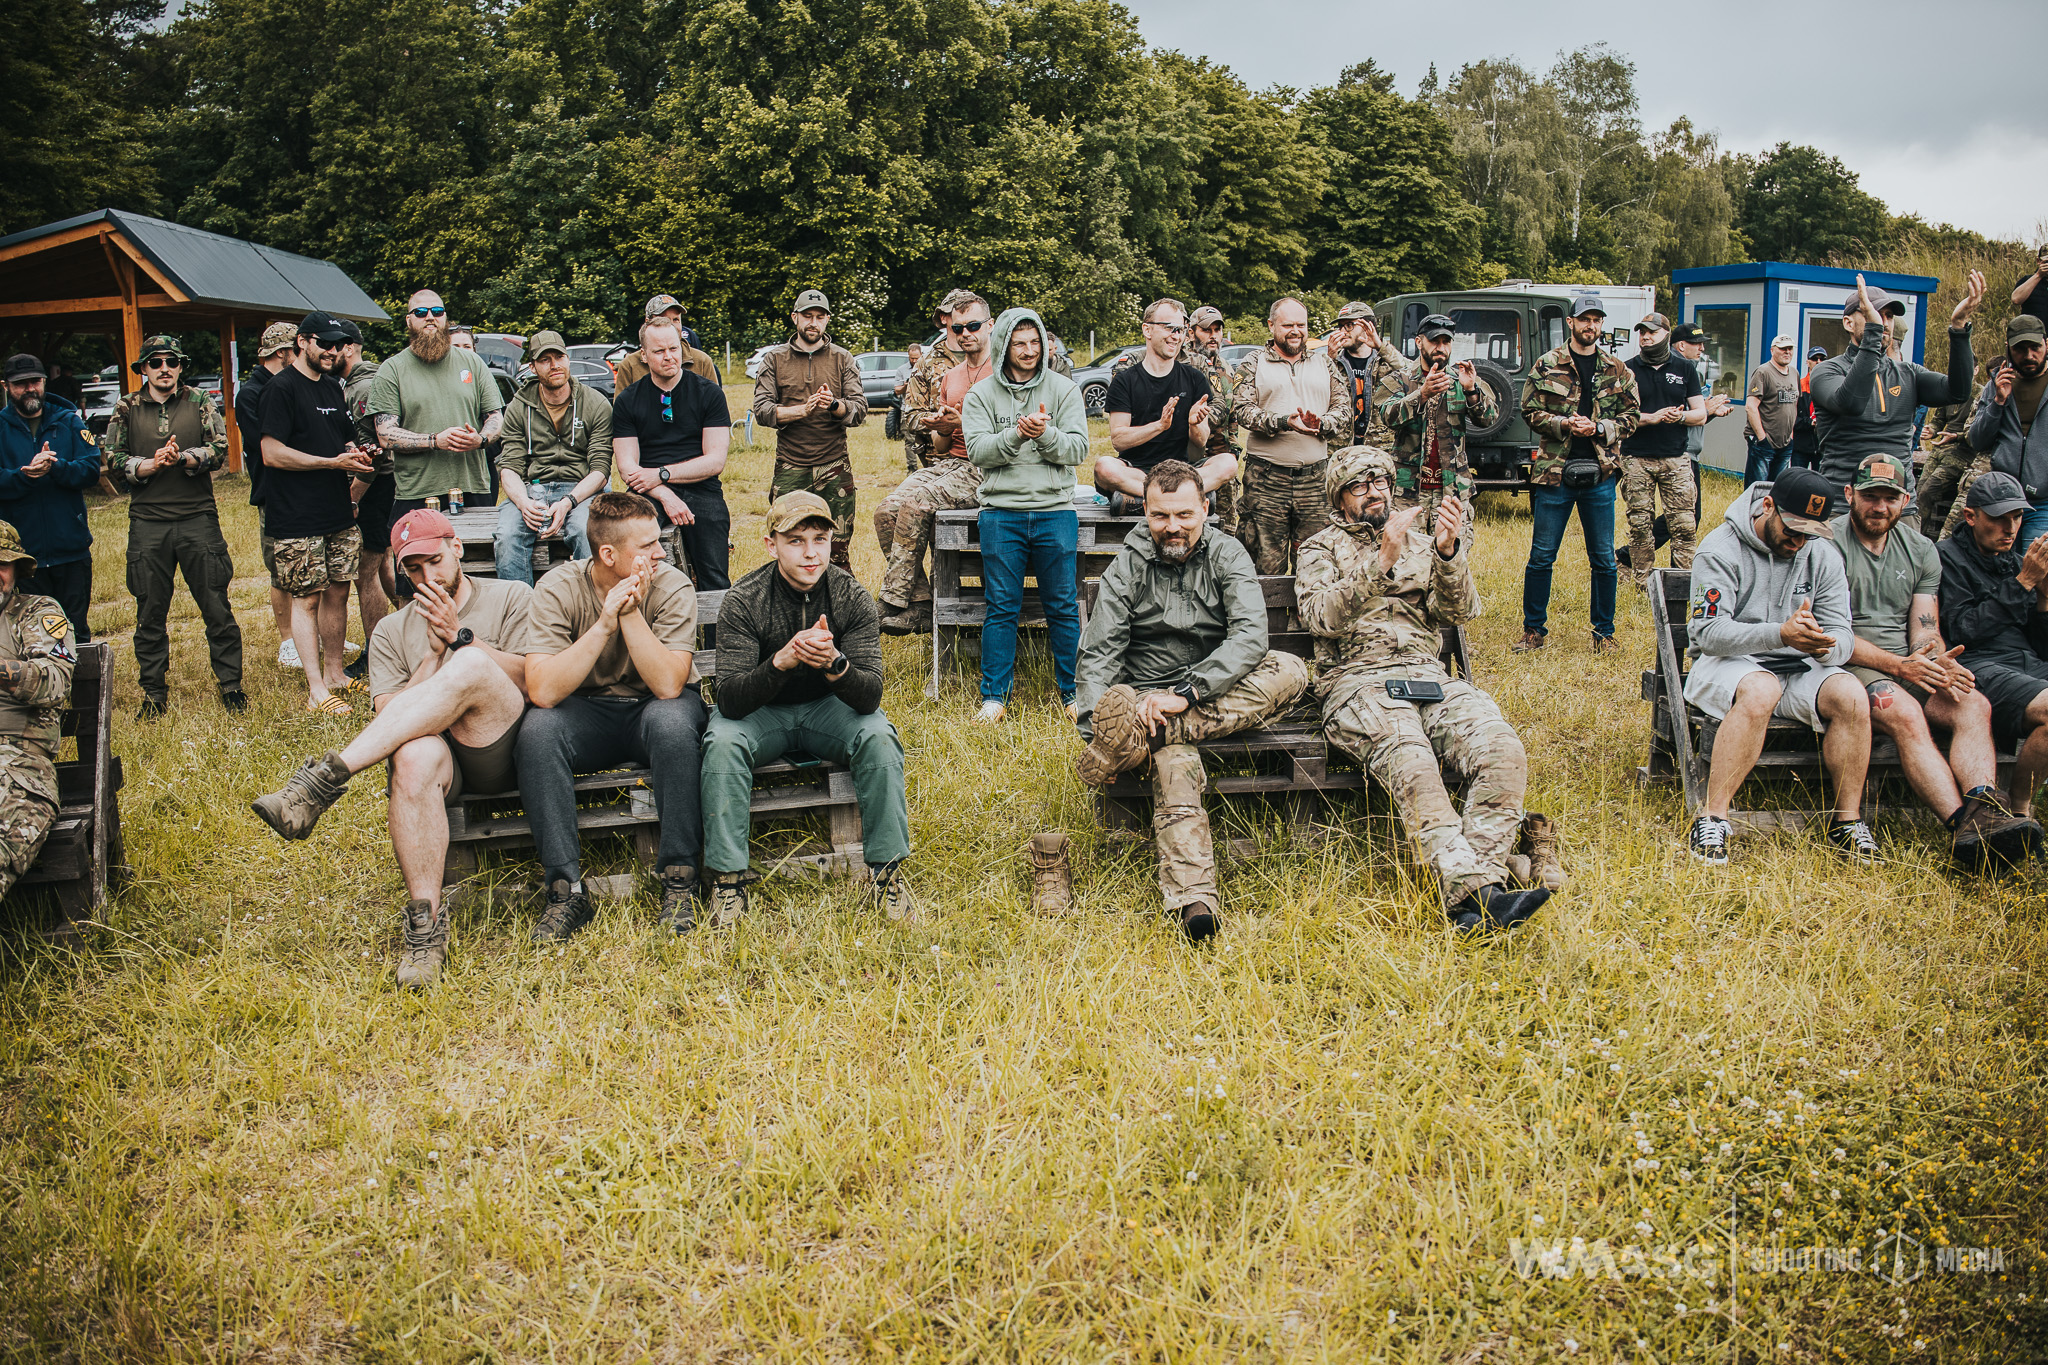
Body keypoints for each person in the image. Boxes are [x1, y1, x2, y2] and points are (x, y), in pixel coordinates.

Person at [250, 509, 533, 987]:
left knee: (471, 667)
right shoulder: (389, 630)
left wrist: (461, 639)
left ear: (457, 546)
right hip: (441, 759)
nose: (428, 577)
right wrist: (431, 655)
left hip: (501, 743)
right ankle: (425, 930)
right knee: (413, 755)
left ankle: (324, 779)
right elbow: (389, 719)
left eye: (436, 561)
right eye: (414, 569)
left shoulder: (511, 596)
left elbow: (534, 679)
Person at [1297, 446, 1554, 935]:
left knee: (1503, 749)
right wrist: (1380, 563)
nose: (1374, 492)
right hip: (1357, 679)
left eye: (1381, 484)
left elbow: (1459, 613)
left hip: (1428, 674)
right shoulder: (1319, 549)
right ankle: (1484, 893)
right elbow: (1320, 619)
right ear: (1339, 496)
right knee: (1412, 761)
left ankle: (1476, 900)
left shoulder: (1422, 542)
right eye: (1360, 485)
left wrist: (1448, 554)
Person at [1071, 460, 1311, 939]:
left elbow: (1249, 638)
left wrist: (1187, 694)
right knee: (1173, 766)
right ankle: (1194, 899)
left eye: (1184, 514)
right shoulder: (1130, 565)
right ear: (1145, 512)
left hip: (1205, 692)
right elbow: (1100, 651)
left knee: (1291, 669)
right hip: (1148, 694)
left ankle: (1148, 733)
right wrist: (1097, 730)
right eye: (1160, 516)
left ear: (1205, 507)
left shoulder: (1227, 554)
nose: (1172, 527)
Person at [700, 492, 913, 927]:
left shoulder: (850, 595)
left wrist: (835, 665)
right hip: (762, 713)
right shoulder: (745, 598)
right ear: (770, 543)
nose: (811, 552)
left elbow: (870, 695)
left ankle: (888, 873)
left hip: (826, 709)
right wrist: (780, 662)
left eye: (820, 538)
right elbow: (730, 700)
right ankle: (727, 879)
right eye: (796, 540)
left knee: (877, 734)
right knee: (721, 742)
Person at [1831, 455, 2041, 867]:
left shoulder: (1920, 549)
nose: (1879, 507)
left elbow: (1925, 623)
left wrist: (1936, 659)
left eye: (1890, 498)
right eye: (1870, 496)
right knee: (1906, 713)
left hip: (1906, 663)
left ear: (1905, 499)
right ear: (1849, 494)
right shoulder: (1826, 544)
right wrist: (1898, 666)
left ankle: (1988, 810)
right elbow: (1830, 636)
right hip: (1846, 664)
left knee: (1971, 701)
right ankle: (1966, 827)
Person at [516, 491, 707, 940]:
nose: (660, 552)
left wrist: (631, 615)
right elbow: (541, 690)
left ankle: (681, 879)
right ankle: (566, 892)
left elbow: (668, 686)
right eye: (647, 545)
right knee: (538, 732)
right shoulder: (558, 588)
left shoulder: (672, 584)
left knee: (674, 724)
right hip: (586, 712)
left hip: (654, 706)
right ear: (608, 554)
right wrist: (604, 622)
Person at [1680, 466, 1874, 865]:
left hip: (1797, 666)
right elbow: (1706, 632)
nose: (1799, 541)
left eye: (1810, 533)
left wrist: (1824, 647)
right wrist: (1780, 635)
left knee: (1852, 695)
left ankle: (1847, 821)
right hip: (1726, 664)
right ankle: (1713, 817)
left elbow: (1844, 631)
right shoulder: (1720, 548)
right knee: (1761, 688)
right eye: (1793, 529)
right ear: (1768, 506)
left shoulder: (1821, 554)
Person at [103, 335, 244, 717]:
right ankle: (153, 694)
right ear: (143, 369)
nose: (164, 368)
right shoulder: (127, 406)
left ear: (180, 366)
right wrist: (145, 466)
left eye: (171, 361)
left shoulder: (199, 401)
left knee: (216, 604)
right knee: (149, 610)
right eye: (155, 362)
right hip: (148, 522)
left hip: (197, 518)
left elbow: (220, 447)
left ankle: (231, 686)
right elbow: (111, 456)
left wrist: (184, 458)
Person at [962, 307, 1089, 722]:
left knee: (1063, 605)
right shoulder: (980, 395)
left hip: (1055, 512)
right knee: (1001, 606)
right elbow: (979, 452)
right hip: (1001, 513)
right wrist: (1017, 434)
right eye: (1019, 343)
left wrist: (1046, 434)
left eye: (1035, 342)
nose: (1029, 350)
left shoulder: (1064, 390)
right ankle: (994, 697)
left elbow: (1078, 449)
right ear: (1002, 345)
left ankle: (1073, 694)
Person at [258, 312, 379, 714]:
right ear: (303, 341)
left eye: (338, 344)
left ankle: (335, 674)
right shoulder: (281, 389)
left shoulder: (332, 387)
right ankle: (316, 692)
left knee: (339, 590)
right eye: (325, 343)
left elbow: (338, 441)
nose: (333, 350)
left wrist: (357, 456)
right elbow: (272, 453)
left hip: (337, 511)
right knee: (307, 598)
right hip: (296, 515)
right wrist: (331, 463)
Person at [1515, 295, 1639, 653]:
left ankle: (1604, 634)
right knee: (1541, 556)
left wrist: (1598, 428)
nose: (1591, 326)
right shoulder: (1547, 364)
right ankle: (1533, 631)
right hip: (1555, 474)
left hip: (1600, 475)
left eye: (1597, 320)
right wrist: (1564, 423)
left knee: (1603, 559)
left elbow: (1632, 418)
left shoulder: (1617, 368)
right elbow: (1530, 410)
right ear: (1571, 323)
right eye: (1585, 319)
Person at [1811, 272, 1985, 522]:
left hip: (1900, 509)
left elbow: (1958, 391)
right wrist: (1873, 333)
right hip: (1843, 507)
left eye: (1889, 316)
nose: (1883, 322)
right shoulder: (1827, 371)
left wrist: (1958, 329)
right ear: (1848, 323)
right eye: (1872, 313)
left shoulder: (1908, 373)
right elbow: (1851, 402)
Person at [877, 291, 994, 635]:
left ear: (989, 325)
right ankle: (921, 603)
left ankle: (893, 598)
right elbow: (943, 445)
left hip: (987, 465)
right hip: (952, 463)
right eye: (958, 328)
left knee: (917, 503)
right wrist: (940, 426)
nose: (965, 333)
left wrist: (962, 423)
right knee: (886, 510)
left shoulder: (1003, 371)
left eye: (973, 325)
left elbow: (1006, 431)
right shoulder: (951, 376)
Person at [1937, 471, 2048, 828]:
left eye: (2017, 517)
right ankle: (2018, 811)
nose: (2010, 527)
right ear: (1971, 516)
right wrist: (2023, 584)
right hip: (1978, 668)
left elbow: (2041, 646)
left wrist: (2045, 596)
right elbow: (1962, 633)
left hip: (2026, 666)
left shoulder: (2017, 562)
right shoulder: (1945, 558)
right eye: (1999, 517)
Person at [1229, 297, 1351, 574]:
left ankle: (1303, 618)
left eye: (1301, 325)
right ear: (1271, 326)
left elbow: (1344, 410)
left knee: (1314, 564)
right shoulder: (1253, 363)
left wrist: (1322, 423)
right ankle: (1266, 619)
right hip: (1267, 482)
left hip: (1316, 481)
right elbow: (1243, 410)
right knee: (1263, 565)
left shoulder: (1325, 364)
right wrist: (1285, 422)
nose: (1295, 331)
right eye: (1287, 325)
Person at [366, 289, 505, 531]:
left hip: (472, 487)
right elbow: (385, 434)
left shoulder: (472, 362)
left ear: (445, 319)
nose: (430, 316)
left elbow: (494, 416)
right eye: (420, 312)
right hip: (417, 492)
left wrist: (480, 439)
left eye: (437, 311)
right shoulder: (392, 369)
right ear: (409, 320)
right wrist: (435, 440)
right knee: (417, 566)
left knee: (476, 564)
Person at [751, 289, 867, 571]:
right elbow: (762, 411)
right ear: (795, 318)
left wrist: (833, 405)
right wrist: (800, 411)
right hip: (791, 465)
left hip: (834, 465)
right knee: (788, 545)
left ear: (827, 320)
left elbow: (859, 409)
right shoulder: (775, 359)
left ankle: (839, 608)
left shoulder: (842, 359)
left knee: (837, 551)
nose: (813, 322)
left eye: (819, 316)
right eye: (807, 316)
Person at [613, 318, 732, 589]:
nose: (669, 357)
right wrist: (664, 491)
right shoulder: (628, 400)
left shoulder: (709, 394)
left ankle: (715, 631)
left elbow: (715, 461)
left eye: (674, 348)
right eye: (659, 351)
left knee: (715, 577)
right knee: (634, 559)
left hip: (702, 488)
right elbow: (626, 466)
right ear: (643, 355)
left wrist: (662, 474)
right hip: (647, 492)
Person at [0, 526, 77, 920]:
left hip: (18, 763)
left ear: (16, 570)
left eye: (2, 564)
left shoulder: (36, 613)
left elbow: (55, 681)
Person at [494, 330, 612, 583]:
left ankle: (589, 611)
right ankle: (519, 613)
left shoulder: (596, 403)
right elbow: (509, 466)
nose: (554, 365)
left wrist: (569, 501)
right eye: (545, 360)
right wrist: (524, 503)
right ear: (533, 367)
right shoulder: (519, 406)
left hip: (583, 489)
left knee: (585, 531)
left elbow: (601, 469)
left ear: (568, 359)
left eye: (559, 356)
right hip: (533, 488)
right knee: (507, 536)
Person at [1095, 298, 1235, 507]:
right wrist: (1159, 426)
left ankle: (1143, 498)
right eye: (1169, 328)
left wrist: (1194, 424)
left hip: (1185, 468)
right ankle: (1188, 494)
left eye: (1179, 330)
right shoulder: (1126, 380)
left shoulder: (1195, 378)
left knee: (1228, 463)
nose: (1176, 336)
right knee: (1104, 467)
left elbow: (1201, 442)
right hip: (1137, 469)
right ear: (1147, 330)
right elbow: (1119, 440)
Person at [0, 354, 100, 642]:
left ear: (44, 382)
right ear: (6, 386)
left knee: (76, 634)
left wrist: (56, 467)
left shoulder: (69, 421)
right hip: (22, 557)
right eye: (21, 384)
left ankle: (81, 688)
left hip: (70, 549)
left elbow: (91, 470)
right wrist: (23, 475)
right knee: (31, 638)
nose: (30, 389)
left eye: (35, 381)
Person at [1374, 312, 1494, 528]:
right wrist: (1422, 394)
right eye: (1434, 341)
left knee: (1451, 555)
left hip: (1453, 490)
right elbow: (1386, 416)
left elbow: (1488, 420)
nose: (1441, 347)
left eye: (1446, 341)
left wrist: (1471, 391)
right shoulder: (1399, 380)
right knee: (1407, 556)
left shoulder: (1463, 379)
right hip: (1408, 492)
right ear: (1419, 342)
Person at [1617, 312, 1705, 590]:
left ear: (1666, 335)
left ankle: (1681, 586)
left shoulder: (1685, 368)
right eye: (1642, 332)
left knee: (1684, 526)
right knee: (1640, 527)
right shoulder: (1626, 369)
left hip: (1675, 459)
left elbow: (1700, 413)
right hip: (1636, 458)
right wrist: (1652, 417)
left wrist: (1679, 417)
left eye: (1652, 332)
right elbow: (1620, 417)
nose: (1645, 336)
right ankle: (1643, 584)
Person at [237, 322, 301, 662]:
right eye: (298, 351)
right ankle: (288, 641)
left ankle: (312, 635)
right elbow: (267, 441)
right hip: (272, 491)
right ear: (283, 353)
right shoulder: (251, 393)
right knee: (280, 571)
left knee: (308, 569)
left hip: (303, 489)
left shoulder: (292, 384)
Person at [1964, 315, 2048, 551]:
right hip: (2001, 502)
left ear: (2047, 344)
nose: (2029, 355)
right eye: (2020, 349)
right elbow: (1977, 440)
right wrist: (1998, 402)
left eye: (2035, 347)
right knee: (1995, 570)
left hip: (2043, 503)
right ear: (2008, 350)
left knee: (2036, 569)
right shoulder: (1996, 383)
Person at [338, 318, 392, 668]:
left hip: (380, 486)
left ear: (349, 346)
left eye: (333, 345)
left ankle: (377, 652)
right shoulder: (357, 383)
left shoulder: (365, 386)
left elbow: (377, 453)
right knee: (387, 565)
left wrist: (354, 496)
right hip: (380, 485)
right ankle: (400, 641)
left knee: (366, 571)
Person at [1182, 304, 1242, 536]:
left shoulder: (1226, 368)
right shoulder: (1183, 364)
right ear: (1191, 332)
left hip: (1223, 461)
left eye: (1217, 330)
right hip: (1193, 461)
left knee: (1225, 531)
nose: (1213, 336)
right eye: (1207, 330)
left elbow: (1231, 414)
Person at [898, 290, 972, 473]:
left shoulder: (991, 359)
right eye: (956, 312)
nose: (962, 319)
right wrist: (941, 422)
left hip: (983, 457)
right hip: (939, 462)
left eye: (968, 313)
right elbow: (911, 416)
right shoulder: (927, 363)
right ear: (944, 318)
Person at [1328, 300, 1408, 451]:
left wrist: (1381, 347)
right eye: (1340, 327)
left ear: (1367, 326)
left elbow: (1412, 373)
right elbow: (1318, 393)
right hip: (1340, 449)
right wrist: (1329, 359)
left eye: (1349, 325)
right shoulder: (1334, 361)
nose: (1343, 332)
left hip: (1379, 448)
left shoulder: (1385, 361)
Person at [612, 295, 720, 388]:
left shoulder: (702, 361)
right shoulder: (629, 365)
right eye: (664, 320)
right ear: (647, 322)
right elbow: (622, 409)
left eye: (676, 320)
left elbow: (715, 406)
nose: (671, 325)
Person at [1742, 335, 1801, 488]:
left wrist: (1791, 436)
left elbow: (1793, 406)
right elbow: (1751, 406)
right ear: (1772, 350)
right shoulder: (1763, 372)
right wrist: (1762, 438)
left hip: (1785, 444)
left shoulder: (1794, 373)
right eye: (1783, 349)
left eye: (1790, 349)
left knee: (1777, 491)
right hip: (1764, 444)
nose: (1787, 352)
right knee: (1757, 490)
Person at [2011, 244, 2048, 328]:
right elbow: (2015, 299)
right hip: (2032, 335)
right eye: (2046, 262)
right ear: (2038, 261)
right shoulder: (2027, 280)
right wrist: (2039, 275)